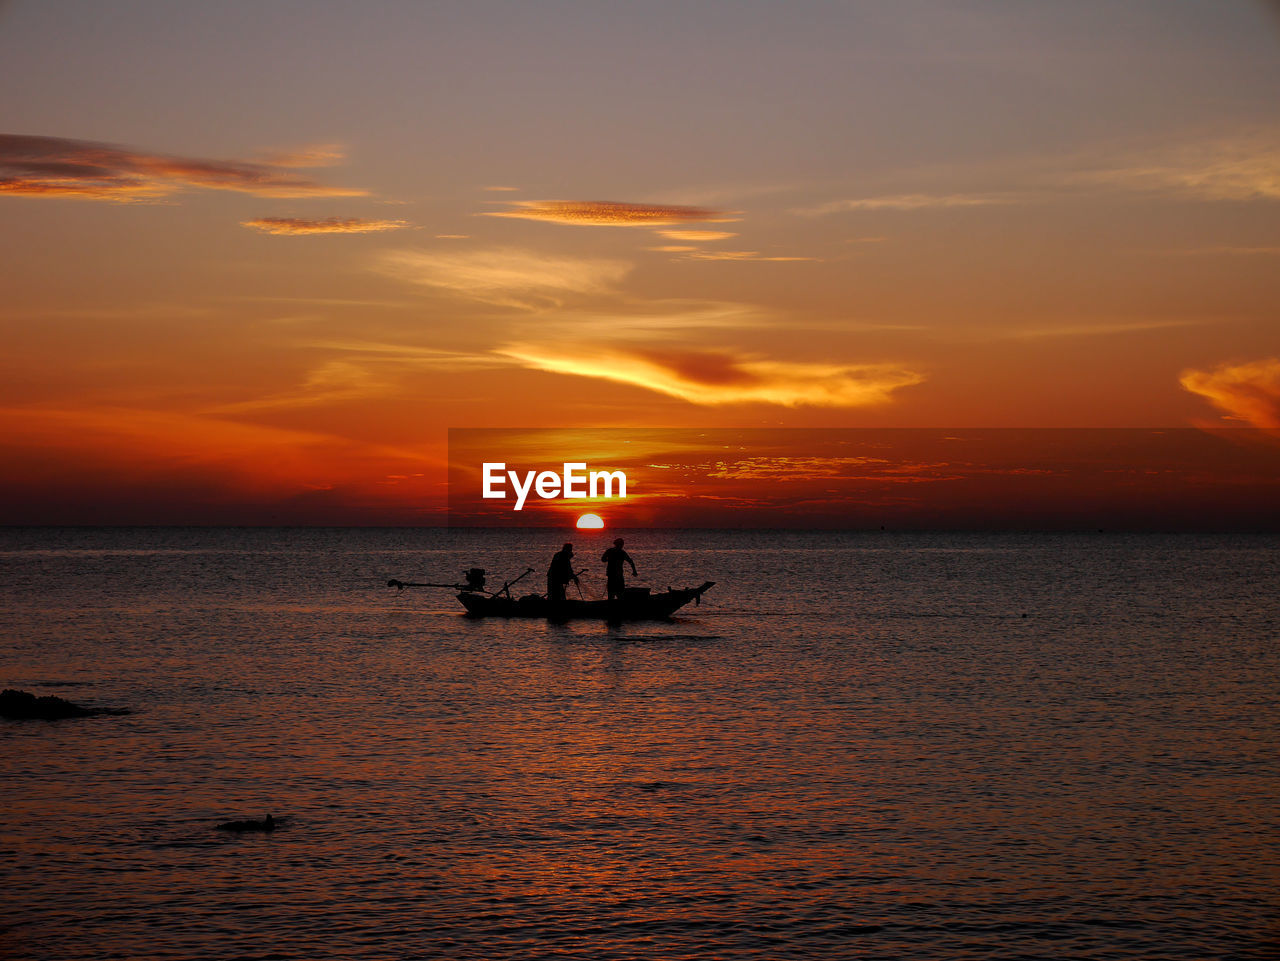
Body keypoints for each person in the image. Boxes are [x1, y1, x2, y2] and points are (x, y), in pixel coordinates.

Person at [601, 538, 637, 602]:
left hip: (612, 575)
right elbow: (631, 562)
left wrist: (609, 559)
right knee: (619, 594)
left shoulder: (610, 551)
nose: (621, 546)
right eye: (621, 544)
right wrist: (634, 571)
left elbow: (603, 559)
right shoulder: (622, 553)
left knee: (612, 594)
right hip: (617, 575)